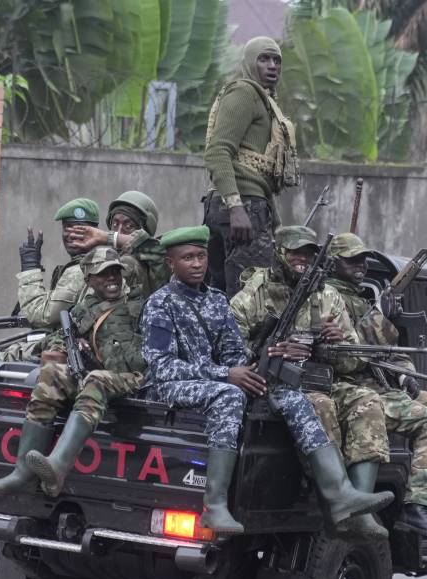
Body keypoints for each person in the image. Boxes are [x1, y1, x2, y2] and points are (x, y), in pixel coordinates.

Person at [142, 226, 392, 535]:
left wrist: (255, 369)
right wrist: (226, 374)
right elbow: (161, 366)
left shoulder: (217, 301)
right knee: (230, 396)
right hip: (170, 386)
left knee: (289, 392)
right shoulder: (160, 303)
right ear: (171, 263)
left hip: (216, 381)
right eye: (187, 258)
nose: (196, 264)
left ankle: (339, 492)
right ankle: (215, 504)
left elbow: (234, 352)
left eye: (201, 256)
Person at [228, 225, 392, 539]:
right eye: (295, 252)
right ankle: (334, 499)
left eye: (308, 253)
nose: (302, 259)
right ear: (280, 253)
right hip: (276, 382)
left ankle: (360, 509)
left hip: (321, 377)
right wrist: (268, 350)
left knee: (366, 401)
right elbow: (227, 345)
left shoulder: (327, 296)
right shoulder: (256, 291)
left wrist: (337, 341)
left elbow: (354, 359)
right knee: (321, 406)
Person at [326, 232, 427, 539]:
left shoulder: (360, 298)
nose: (360, 265)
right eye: (351, 260)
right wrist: (381, 317)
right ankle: (417, 508)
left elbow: (390, 352)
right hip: (349, 387)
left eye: (363, 259)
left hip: (378, 384)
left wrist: (405, 375)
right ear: (333, 263)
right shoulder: (327, 297)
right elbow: (349, 351)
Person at [0, 247, 146, 498]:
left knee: (96, 380)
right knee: (52, 375)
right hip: (97, 374)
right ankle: (22, 473)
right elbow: (54, 340)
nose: (112, 278)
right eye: (103, 274)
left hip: (131, 376)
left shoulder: (138, 303)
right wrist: (68, 347)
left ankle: (58, 465)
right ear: (88, 279)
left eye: (115, 272)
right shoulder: (83, 310)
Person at [202, 36, 300, 296]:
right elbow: (217, 151)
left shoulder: (263, 101)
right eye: (263, 59)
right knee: (251, 296)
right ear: (248, 62)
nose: (272, 66)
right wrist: (236, 207)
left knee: (224, 296)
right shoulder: (244, 93)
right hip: (239, 205)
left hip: (247, 204)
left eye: (277, 60)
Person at [16, 197, 100, 329]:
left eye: (80, 229)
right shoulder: (92, 262)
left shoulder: (80, 271)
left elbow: (41, 316)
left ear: (96, 233)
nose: (71, 235)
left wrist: (30, 269)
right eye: (67, 227)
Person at [71, 191, 168, 300]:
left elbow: (157, 250)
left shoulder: (147, 262)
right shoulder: (104, 259)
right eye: (115, 224)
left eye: (129, 226)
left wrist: (110, 238)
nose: (119, 231)